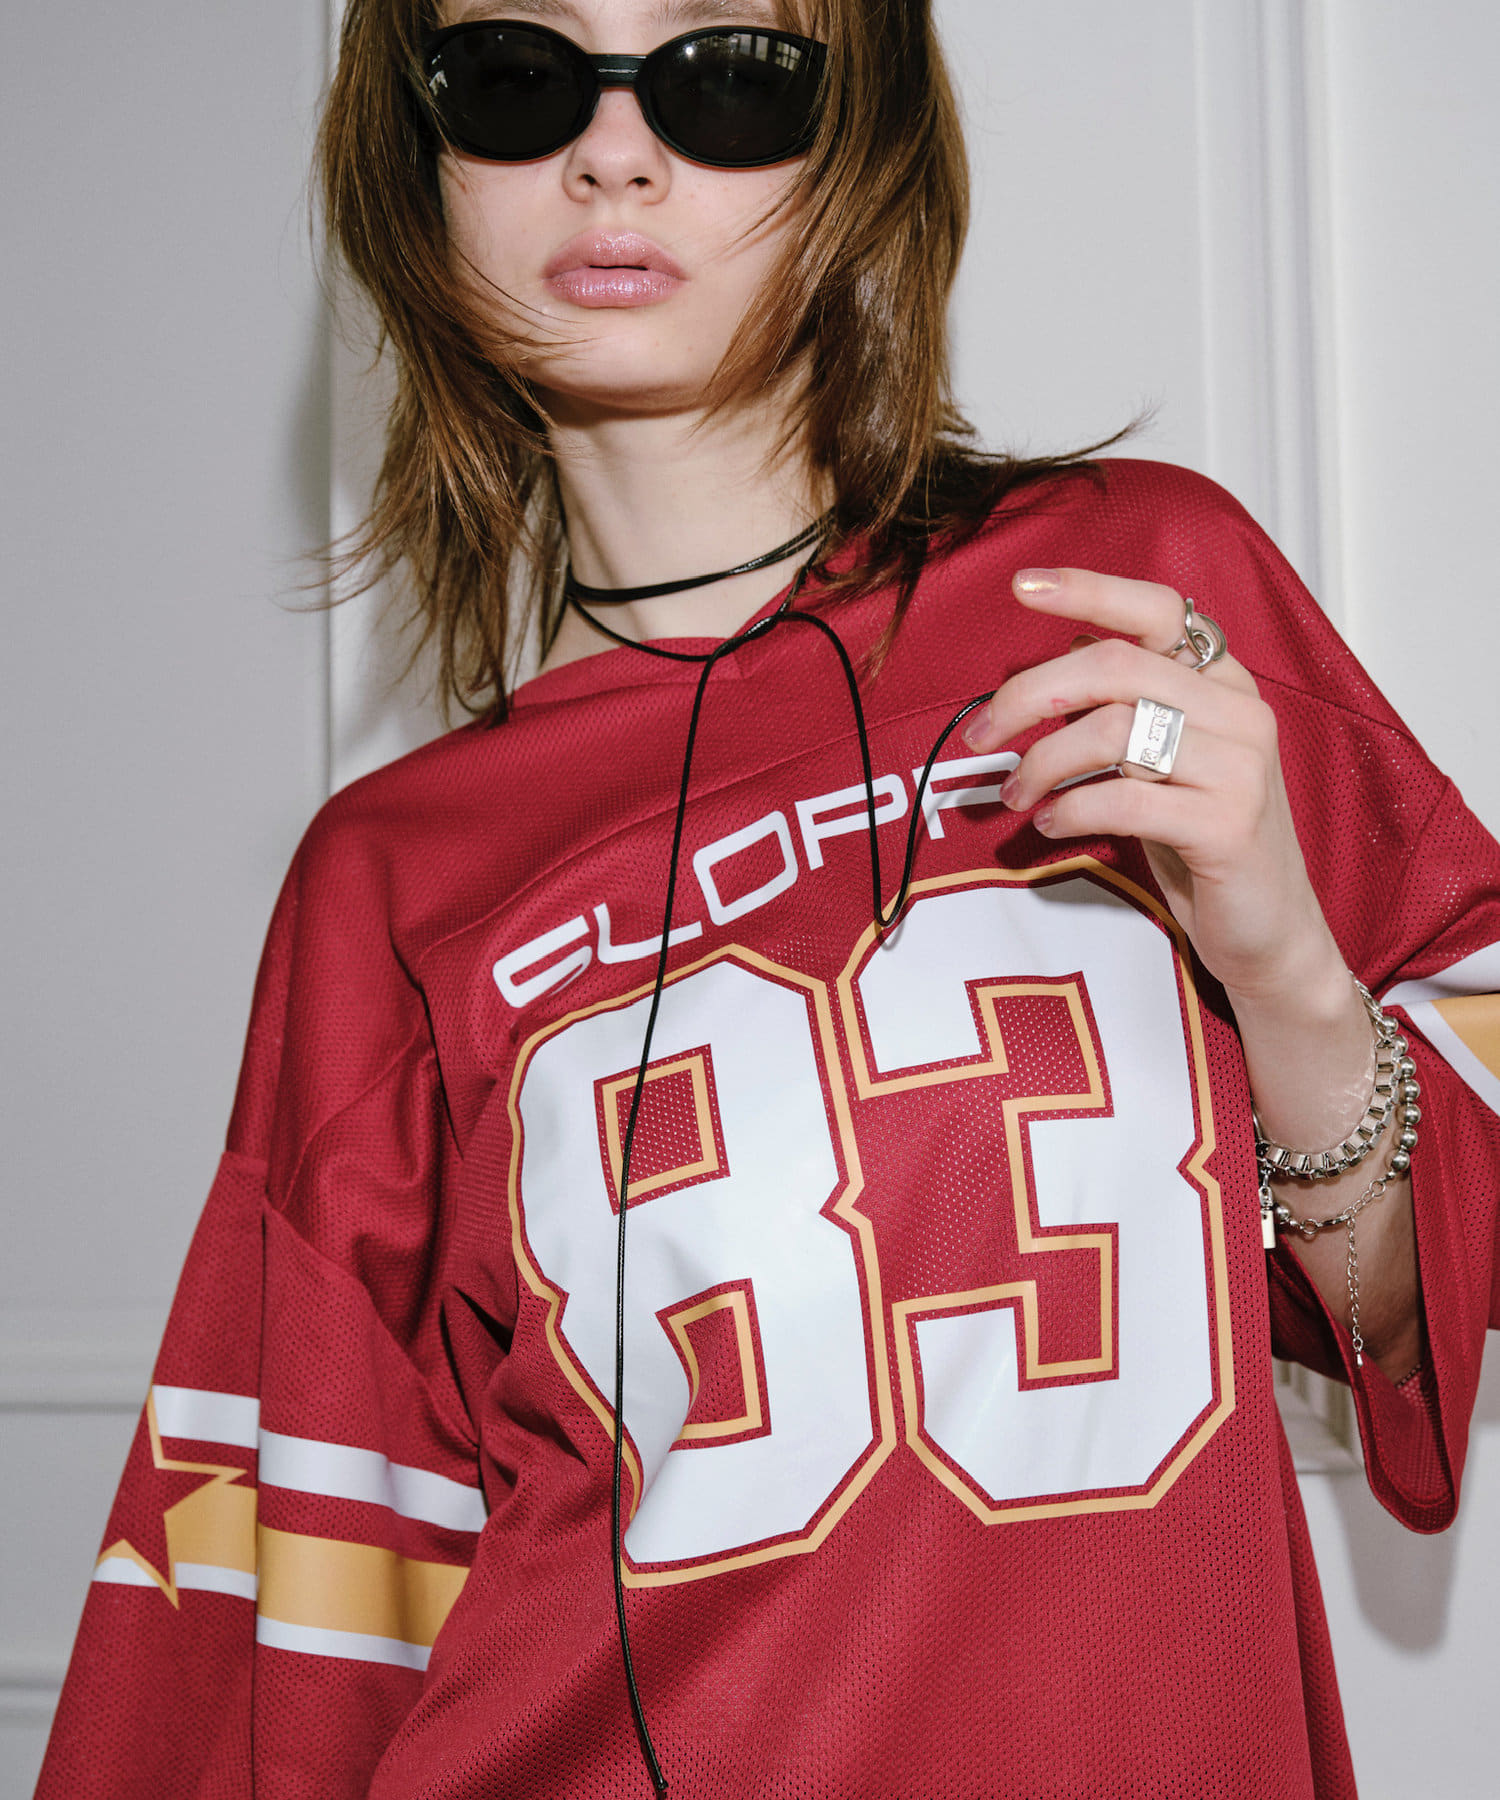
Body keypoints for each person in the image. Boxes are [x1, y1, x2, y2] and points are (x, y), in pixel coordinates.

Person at [35, 2, 1500, 1796]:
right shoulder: (390, 877)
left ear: (864, 143)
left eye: (733, 76)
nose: (615, 154)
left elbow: (1405, 1312)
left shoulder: (1132, 604)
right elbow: (291, 1621)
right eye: (515, 79)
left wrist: (1288, 977)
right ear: (414, 169)